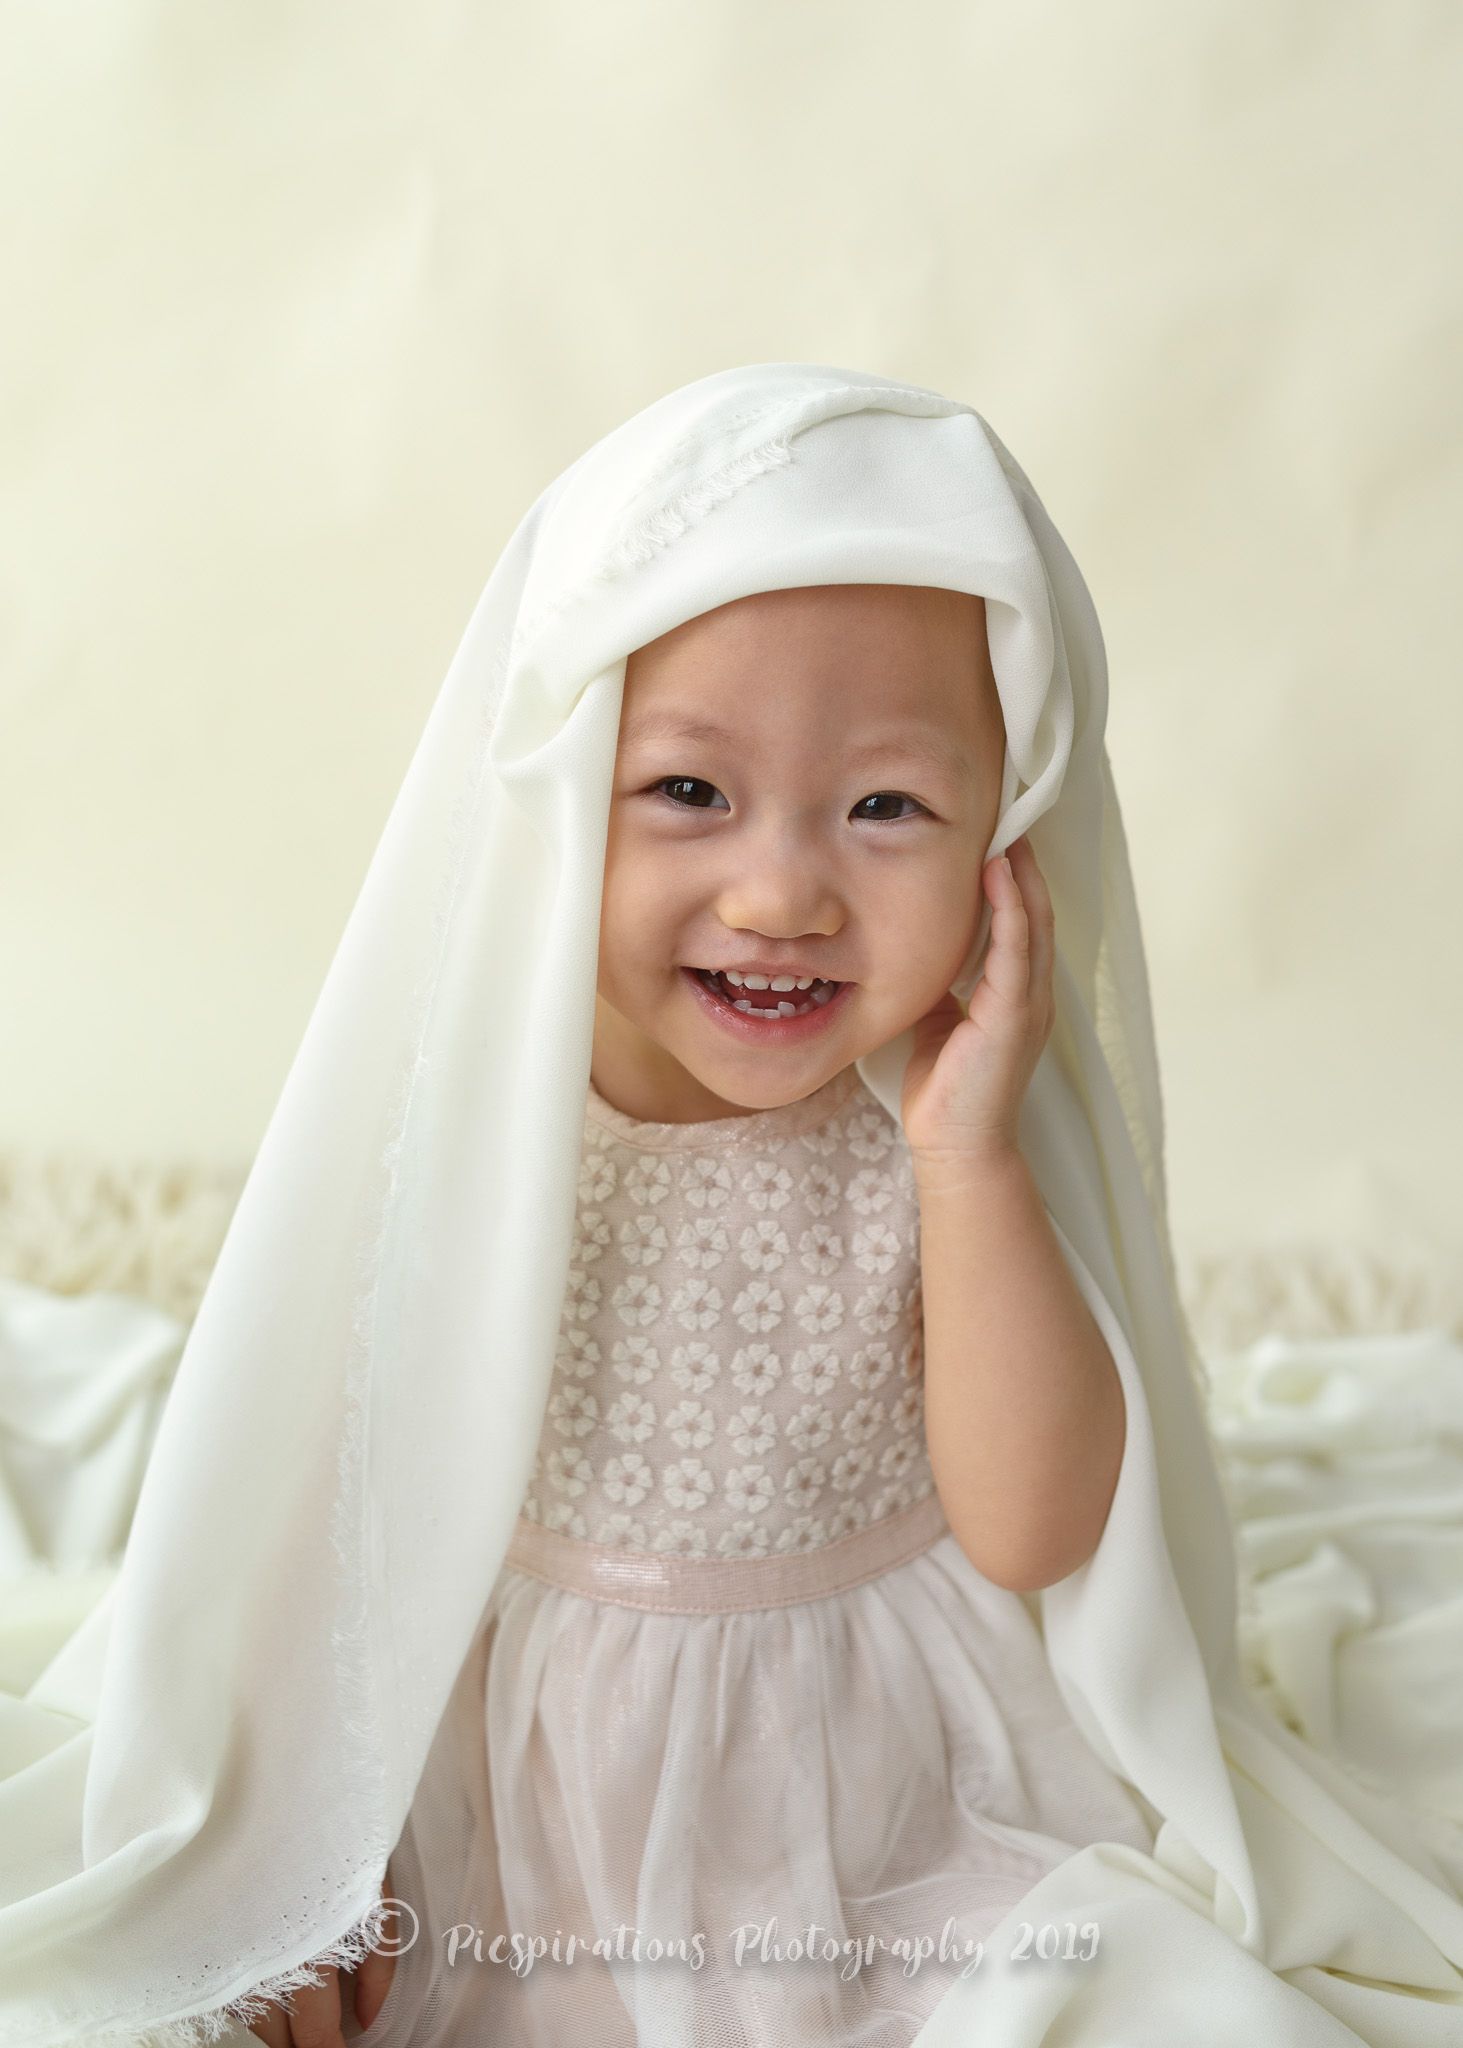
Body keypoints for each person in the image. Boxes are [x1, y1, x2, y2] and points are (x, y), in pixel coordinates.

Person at [3, 364, 1461, 2048]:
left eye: (888, 808)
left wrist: (969, 1162)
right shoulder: (487, 1112)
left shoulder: (936, 1124)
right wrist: (316, 1847)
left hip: (877, 1785)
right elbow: (334, 1495)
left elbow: (1037, 1529)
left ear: (1007, 842)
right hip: (523, 1782)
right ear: (559, 793)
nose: (781, 895)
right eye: (689, 793)